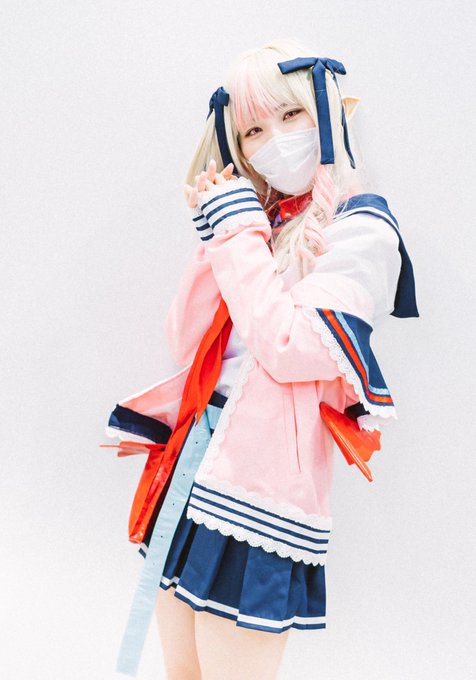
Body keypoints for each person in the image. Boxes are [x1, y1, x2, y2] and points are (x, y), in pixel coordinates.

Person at [103, 37, 419, 680]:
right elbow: (187, 340)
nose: (274, 139)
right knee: (181, 671)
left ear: (328, 111)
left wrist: (237, 232)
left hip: (259, 492)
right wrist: (219, 233)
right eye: (253, 130)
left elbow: (290, 348)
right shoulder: (262, 223)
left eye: (291, 114)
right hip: (194, 461)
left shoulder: (364, 229)